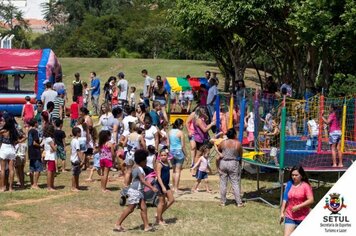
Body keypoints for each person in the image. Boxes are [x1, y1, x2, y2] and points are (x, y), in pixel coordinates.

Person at [114, 149, 158, 232]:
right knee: (130, 209)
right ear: (142, 161)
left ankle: (146, 226)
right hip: (135, 191)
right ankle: (117, 224)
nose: (146, 162)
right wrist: (152, 188)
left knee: (144, 208)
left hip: (139, 191)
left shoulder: (136, 168)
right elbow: (143, 181)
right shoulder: (139, 169)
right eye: (145, 161)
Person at [280, 166, 314, 236]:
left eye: (296, 175)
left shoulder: (306, 186)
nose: (294, 177)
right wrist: (282, 213)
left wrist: (298, 206)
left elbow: (311, 200)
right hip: (290, 216)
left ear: (301, 175)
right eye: (292, 175)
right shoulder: (289, 184)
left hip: (303, 217)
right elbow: (285, 199)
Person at [217, 128, 244, 207]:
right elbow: (240, 154)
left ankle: (222, 202)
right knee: (235, 182)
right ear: (234, 135)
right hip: (233, 163)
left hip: (223, 163)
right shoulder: (238, 144)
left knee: (223, 183)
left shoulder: (223, 143)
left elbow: (219, 150)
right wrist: (240, 163)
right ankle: (239, 202)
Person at [0, 114, 20, 192]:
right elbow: (17, 139)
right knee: (11, 170)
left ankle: (2, 187)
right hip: (11, 149)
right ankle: (11, 188)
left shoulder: (3, 130)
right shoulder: (14, 130)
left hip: (4, 148)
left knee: (3, 170)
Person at [122, 122, 146, 186]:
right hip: (136, 155)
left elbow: (124, 144)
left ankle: (126, 185)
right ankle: (134, 184)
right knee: (136, 170)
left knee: (128, 171)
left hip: (129, 155)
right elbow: (144, 145)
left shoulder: (128, 136)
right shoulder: (139, 136)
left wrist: (129, 145)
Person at [155, 149, 175, 226]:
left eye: (165, 155)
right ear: (159, 156)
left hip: (166, 184)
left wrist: (168, 185)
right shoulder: (159, 164)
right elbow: (158, 177)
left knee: (171, 200)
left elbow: (171, 156)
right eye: (161, 155)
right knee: (162, 203)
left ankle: (158, 215)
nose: (163, 157)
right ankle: (159, 220)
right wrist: (163, 187)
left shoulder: (167, 162)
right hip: (160, 185)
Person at [169, 118, 186, 192]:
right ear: (180, 125)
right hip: (179, 151)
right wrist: (186, 155)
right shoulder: (180, 133)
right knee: (178, 171)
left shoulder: (169, 132)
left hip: (171, 151)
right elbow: (183, 146)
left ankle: (173, 187)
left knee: (174, 171)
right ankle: (176, 188)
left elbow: (169, 143)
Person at [27, 119, 42, 189]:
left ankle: (32, 184)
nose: (38, 124)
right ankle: (35, 184)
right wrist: (41, 145)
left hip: (30, 151)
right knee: (38, 168)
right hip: (36, 152)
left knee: (31, 169)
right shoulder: (35, 131)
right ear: (35, 123)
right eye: (37, 122)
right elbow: (34, 143)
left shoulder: (29, 131)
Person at [42, 124, 57, 191]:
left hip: (49, 155)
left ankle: (51, 185)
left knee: (52, 171)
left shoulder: (45, 138)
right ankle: (49, 187)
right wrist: (55, 147)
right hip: (50, 156)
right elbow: (54, 148)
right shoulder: (50, 139)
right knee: (50, 171)